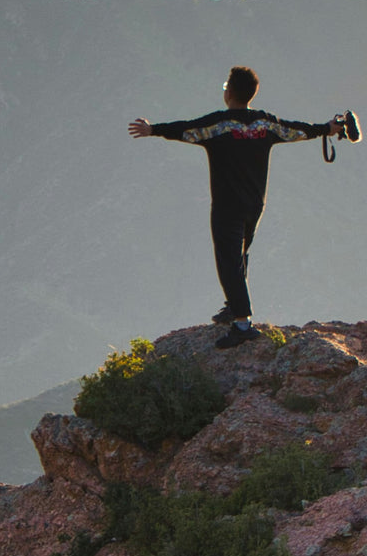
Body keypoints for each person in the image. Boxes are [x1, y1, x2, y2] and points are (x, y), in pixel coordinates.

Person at [128, 66, 344, 349]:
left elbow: (187, 129)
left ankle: (242, 323)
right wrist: (327, 129)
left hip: (227, 205)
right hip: (255, 203)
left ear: (229, 93)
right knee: (240, 254)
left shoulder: (220, 126)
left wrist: (153, 129)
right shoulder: (264, 125)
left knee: (229, 260)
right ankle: (234, 306)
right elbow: (297, 130)